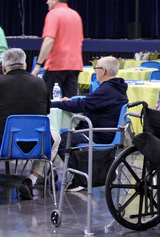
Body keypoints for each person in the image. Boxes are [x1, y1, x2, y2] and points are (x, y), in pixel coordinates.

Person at [0, 48, 59, 205]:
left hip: (4, 145)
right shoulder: (39, 82)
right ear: (25, 65)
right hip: (36, 144)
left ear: (3, 67)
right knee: (55, 137)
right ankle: (31, 179)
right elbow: (45, 111)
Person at [50, 55, 128, 190]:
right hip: (107, 131)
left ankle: (80, 179)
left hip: (99, 133)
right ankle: (82, 173)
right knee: (68, 135)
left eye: (96, 69)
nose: (95, 72)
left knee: (63, 140)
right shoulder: (116, 88)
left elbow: (83, 105)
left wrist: (55, 104)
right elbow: (90, 101)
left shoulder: (107, 89)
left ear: (103, 70)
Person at [32, 0, 84, 98]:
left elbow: (49, 40)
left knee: (45, 100)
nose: (47, 2)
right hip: (74, 65)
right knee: (70, 101)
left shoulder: (53, 14)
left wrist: (38, 64)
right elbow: (80, 42)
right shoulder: (76, 15)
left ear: (55, 0)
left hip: (57, 64)